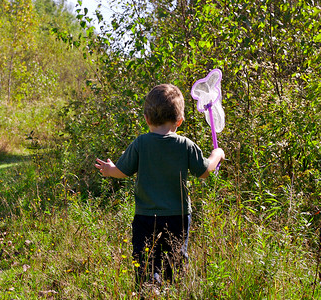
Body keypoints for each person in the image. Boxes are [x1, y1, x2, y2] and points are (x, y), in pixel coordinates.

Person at [95, 84, 225, 289]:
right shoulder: (185, 145)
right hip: (178, 217)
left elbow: (122, 171)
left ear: (146, 118)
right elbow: (204, 171)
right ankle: (174, 291)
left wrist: (109, 169)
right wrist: (216, 154)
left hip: (146, 217)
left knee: (146, 264)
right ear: (179, 121)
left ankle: (150, 291)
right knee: (176, 261)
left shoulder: (140, 143)